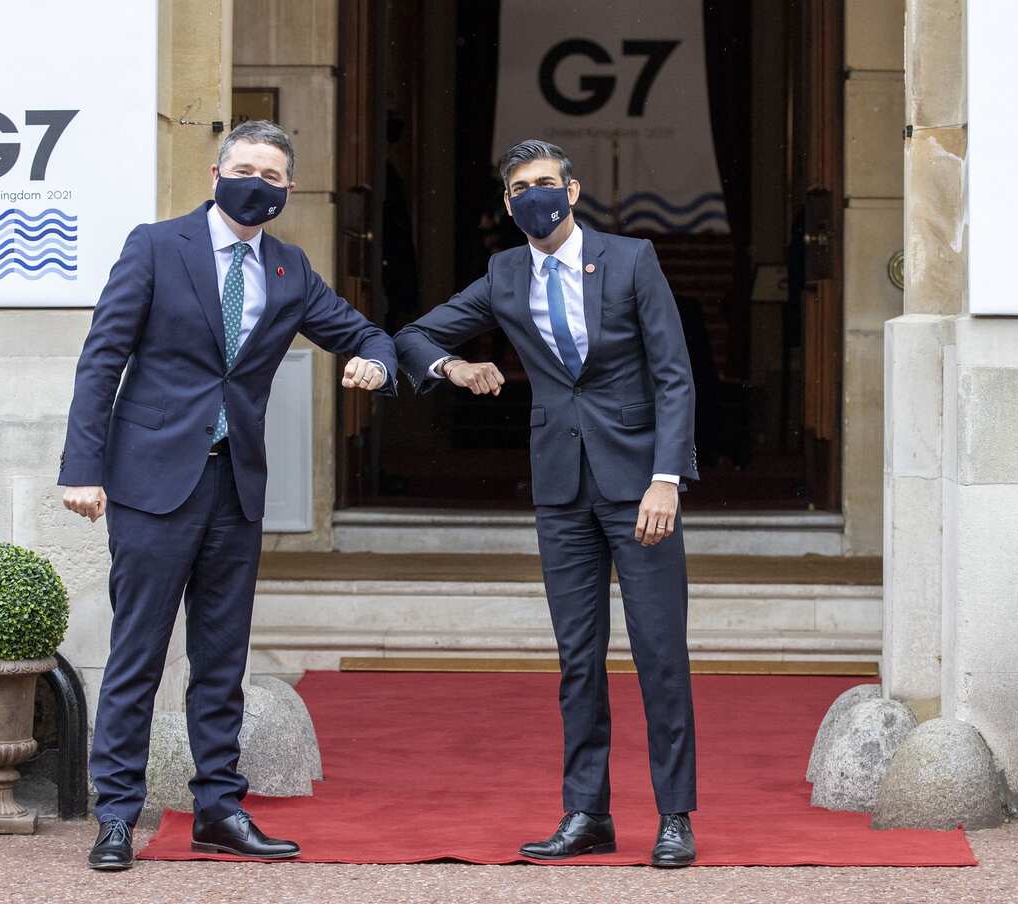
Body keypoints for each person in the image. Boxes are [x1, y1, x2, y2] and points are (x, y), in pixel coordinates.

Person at [58, 120, 396, 870]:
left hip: (234, 487)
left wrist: (376, 361)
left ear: (289, 189)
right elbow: (101, 358)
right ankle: (115, 814)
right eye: (244, 168)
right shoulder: (156, 246)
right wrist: (82, 468)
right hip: (151, 484)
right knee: (138, 657)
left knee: (222, 659)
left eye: (271, 175)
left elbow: (363, 334)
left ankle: (219, 808)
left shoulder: (289, 269)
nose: (257, 182)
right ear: (215, 173)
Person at [395, 139, 700, 867]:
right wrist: (455, 365)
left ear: (572, 190)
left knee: (660, 655)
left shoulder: (631, 260)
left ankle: (675, 817)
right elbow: (415, 334)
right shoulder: (504, 274)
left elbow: (675, 376)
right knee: (578, 659)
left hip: (638, 489)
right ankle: (587, 813)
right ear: (508, 204)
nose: (535, 195)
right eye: (520, 187)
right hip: (560, 491)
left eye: (546, 183)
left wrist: (668, 477)